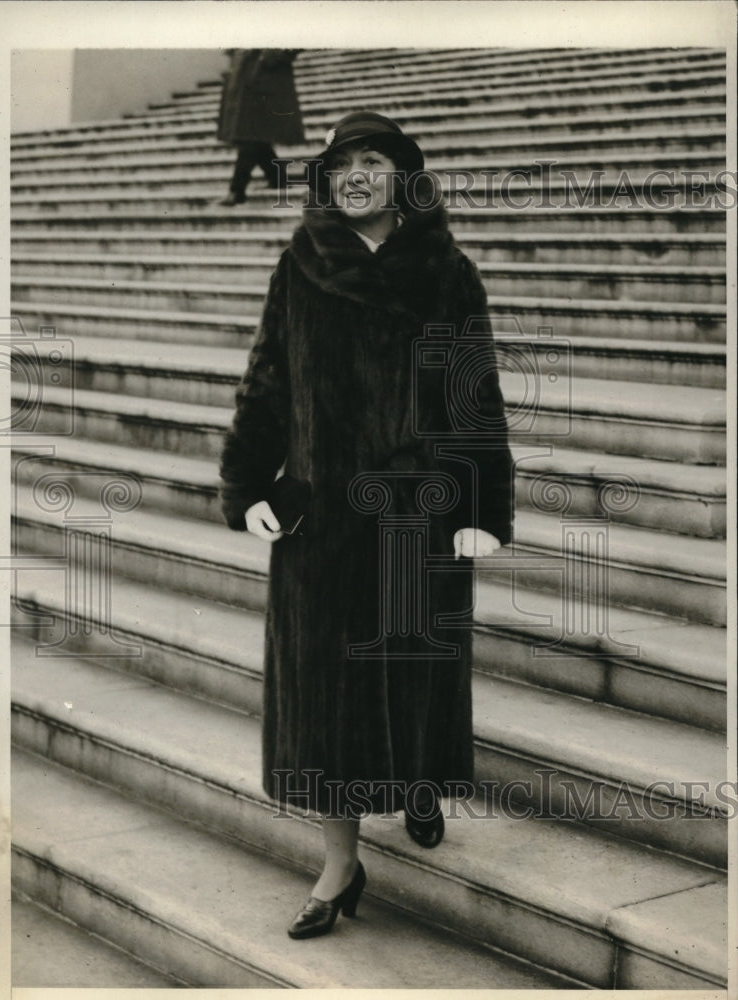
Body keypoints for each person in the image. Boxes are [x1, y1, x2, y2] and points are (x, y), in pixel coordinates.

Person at [218, 110, 514, 939]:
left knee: (416, 674)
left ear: (404, 179)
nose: (355, 175)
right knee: (327, 700)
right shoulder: (300, 267)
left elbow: (474, 396)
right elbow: (266, 383)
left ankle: (418, 788)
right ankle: (340, 862)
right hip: (326, 521)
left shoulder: (448, 272)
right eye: (342, 162)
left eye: (374, 161)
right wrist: (249, 485)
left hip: (420, 514)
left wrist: (484, 506)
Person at [216, 48, 304, 205]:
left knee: (249, 136)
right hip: (245, 77)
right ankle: (278, 179)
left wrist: (271, 55)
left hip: (266, 80)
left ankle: (237, 190)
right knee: (254, 137)